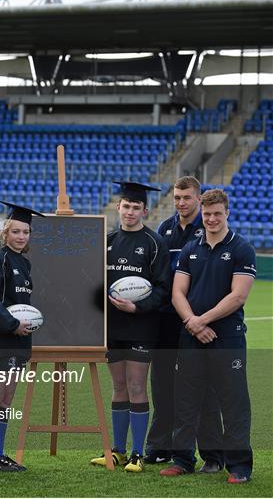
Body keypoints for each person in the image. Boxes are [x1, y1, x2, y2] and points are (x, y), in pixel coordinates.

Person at [160, 189, 256, 484]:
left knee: (233, 402)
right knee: (187, 400)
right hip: (191, 337)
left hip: (226, 337)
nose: (212, 219)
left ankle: (239, 466)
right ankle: (183, 459)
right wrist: (192, 322)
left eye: (217, 213)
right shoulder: (191, 248)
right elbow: (178, 292)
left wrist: (202, 320)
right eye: (207, 214)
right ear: (202, 213)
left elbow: (238, 296)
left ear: (227, 213)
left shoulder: (241, 248)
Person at [90, 181, 170, 472]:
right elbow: (96, 284)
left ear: (145, 211)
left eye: (136, 207)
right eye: (126, 206)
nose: (130, 211)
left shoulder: (154, 243)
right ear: (118, 207)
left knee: (137, 385)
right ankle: (117, 450)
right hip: (113, 327)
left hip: (141, 326)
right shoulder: (108, 241)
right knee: (119, 385)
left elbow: (163, 288)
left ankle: (137, 453)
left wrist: (137, 307)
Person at [145, 176, 224, 472]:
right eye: (177, 198)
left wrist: (198, 318)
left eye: (187, 198)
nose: (181, 203)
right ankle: (159, 446)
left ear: (198, 197)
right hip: (166, 320)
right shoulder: (164, 229)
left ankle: (212, 455)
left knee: (202, 390)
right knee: (162, 384)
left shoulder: (208, 229)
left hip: (199, 321)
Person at [0, 201, 45, 472]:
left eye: (25, 232)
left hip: (19, 342)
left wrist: (23, 327)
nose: (21, 237)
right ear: (5, 232)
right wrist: (11, 324)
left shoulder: (24, 264)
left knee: (7, 399)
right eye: (16, 232)